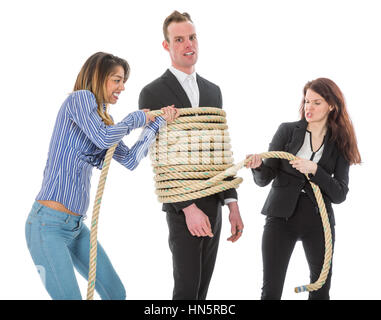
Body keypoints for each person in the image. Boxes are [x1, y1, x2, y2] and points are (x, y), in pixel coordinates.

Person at [25, 52, 178, 300]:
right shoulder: (79, 99)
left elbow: (129, 160)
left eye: (123, 81)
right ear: (99, 77)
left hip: (75, 227)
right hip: (47, 226)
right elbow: (103, 138)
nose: (123, 87)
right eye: (117, 80)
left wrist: (153, 125)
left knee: (116, 294)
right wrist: (138, 117)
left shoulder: (104, 121)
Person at [138, 11, 244, 300]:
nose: (189, 44)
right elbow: (158, 157)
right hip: (182, 206)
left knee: (201, 292)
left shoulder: (213, 91)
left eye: (193, 37)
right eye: (180, 39)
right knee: (185, 291)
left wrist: (232, 203)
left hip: (215, 202)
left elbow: (220, 150)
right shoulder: (153, 93)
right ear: (166, 45)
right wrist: (188, 207)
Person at [246, 77, 361, 300]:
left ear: (331, 105)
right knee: (271, 290)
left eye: (316, 102)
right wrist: (258, 166)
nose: (309, 107)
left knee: (320, 290)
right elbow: (264, 180)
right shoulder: (287, 131)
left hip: (319, 221)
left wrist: (315, 170)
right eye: (307, 101)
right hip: (280, 218)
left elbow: (340, 194)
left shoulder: (340, 143)